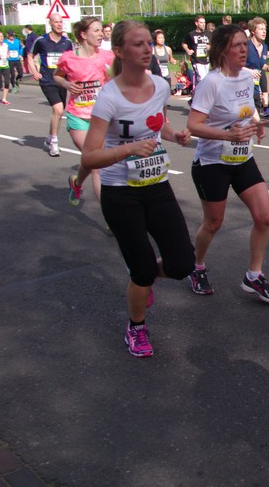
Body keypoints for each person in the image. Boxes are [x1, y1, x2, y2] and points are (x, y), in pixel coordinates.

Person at [80, 20, 195, 358]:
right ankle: (136, 327)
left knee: (182, 264)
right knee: (142, 270)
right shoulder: (109, 97)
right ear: (118, 51)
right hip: (120, 192)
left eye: (148, 43)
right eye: (137, 44)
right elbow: (89, 155)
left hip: (157, 186)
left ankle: (143, 277)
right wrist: (128, 149)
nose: (147, 50)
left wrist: (176, 135)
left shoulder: (159, 85)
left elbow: (160, 125)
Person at [185, 25, 269, 302]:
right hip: (211, 162)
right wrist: (227, 134)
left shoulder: (246, 77)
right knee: (213, 222)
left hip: (241, 158)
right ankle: (196, 266)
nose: (243, 50)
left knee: (264, 217)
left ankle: (254, 275)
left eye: (244, 45)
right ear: (222, 50)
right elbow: (193, 125)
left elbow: (246, 109)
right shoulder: (212, 83)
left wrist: (255, 123)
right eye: (237, 45)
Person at [54, 16, 115, 206]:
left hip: (101, 117)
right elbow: (57, 76)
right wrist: (67, 84)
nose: (101, 34)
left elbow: (119, 77)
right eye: (96, 30)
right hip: (78, 117)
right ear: (83, 34)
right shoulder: (68, 58)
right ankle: (109, 215)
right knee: (97, 164)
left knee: (91, 160)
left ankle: (77, 183)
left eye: (101, 30)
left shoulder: (107, 56)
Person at [28, 13, 74, 157]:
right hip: (47, 80)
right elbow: (30, 56)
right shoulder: (41, 41)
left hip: (62, 81)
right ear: (50, 23)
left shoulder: (67, 42)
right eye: (56, 22)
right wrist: (35, 71)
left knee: (59, 113)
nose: (59, 24)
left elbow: (72, 61)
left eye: (61, 22)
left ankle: (50, 137)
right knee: (58, 109)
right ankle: (54, 142)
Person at [245, 17, 269, 118]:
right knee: (246, 118)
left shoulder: (264, 47)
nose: (264, 32)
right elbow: (234, 65)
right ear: (253, 31)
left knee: (255, 116)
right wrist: (249, 71)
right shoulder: (245, 46)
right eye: (261, 29)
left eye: (265, 29)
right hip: (242, 86)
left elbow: (262, 65)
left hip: (255, 87)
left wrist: (268, 68)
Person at [182, 15, 211, 89]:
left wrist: (210, 47)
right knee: (202, 77)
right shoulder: (191, 34)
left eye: (204, 22)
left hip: (206, 60)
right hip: (196, 60)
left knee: (206, 78)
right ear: (196, 23)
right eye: (201, 22)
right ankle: (201, 93)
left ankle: (196, 92)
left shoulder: (208, 34)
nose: (203, 24)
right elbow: (184, 43)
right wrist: (188, 50)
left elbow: (214, 44)